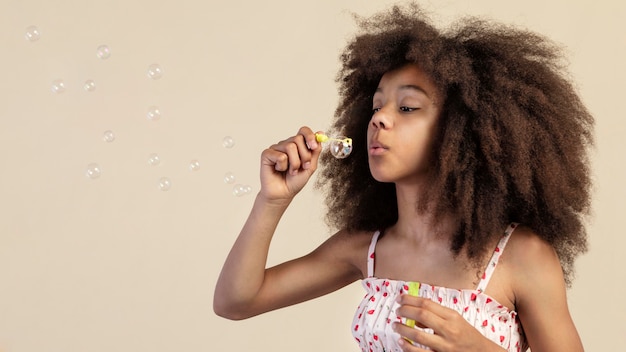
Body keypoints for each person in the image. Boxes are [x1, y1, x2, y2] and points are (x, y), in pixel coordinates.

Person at [213, 3, 593, 351]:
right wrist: (273, 201)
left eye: (407, 106)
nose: (379, 118)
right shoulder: (366, 247)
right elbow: (235, 302)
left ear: (464, 130)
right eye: (376, 105)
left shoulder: (522, 256)